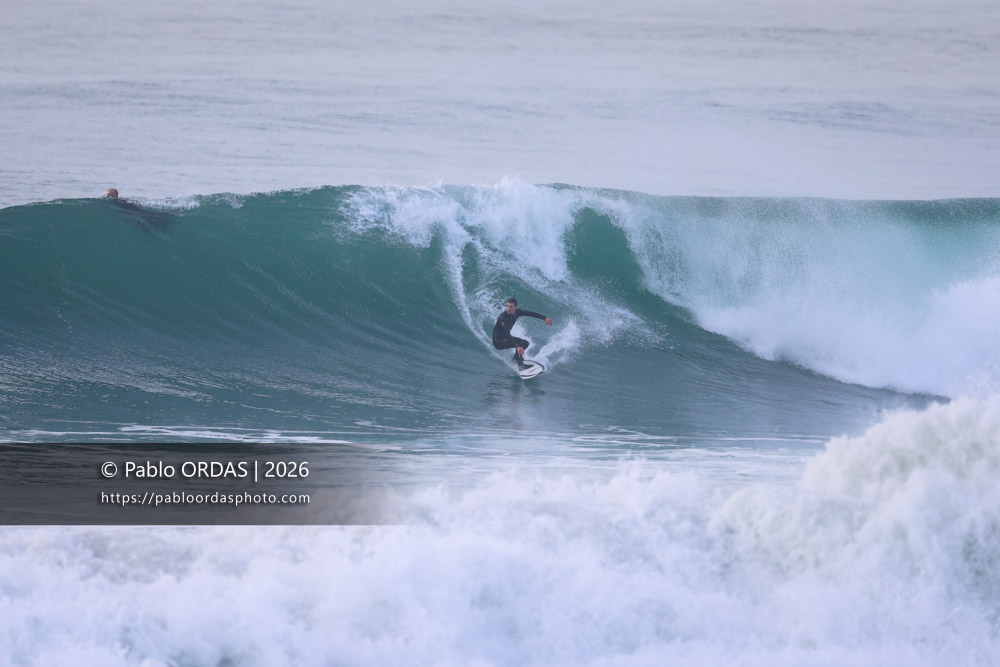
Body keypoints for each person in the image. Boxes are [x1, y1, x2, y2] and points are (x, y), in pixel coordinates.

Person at [492, 298, 553, 369]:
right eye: (507, 306)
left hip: (506, 338)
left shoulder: (517, 312)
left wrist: (544, 318)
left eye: (511, 306)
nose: (508, 308)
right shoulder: (502, 317)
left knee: (525, 343)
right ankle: (521, 365)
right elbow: (506, 333)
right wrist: (517, 346)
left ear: (515, 307)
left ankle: (515, 359)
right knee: (520, 344)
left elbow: (530, 313)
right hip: (498, 341)